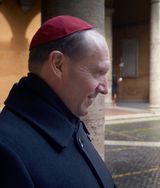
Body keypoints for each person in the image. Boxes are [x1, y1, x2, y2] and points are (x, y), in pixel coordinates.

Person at [0, 15, 116, 188]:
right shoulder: (6, 150)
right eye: (98, 72)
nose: (105, 88)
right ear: (58, 64)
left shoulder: (69, 119)